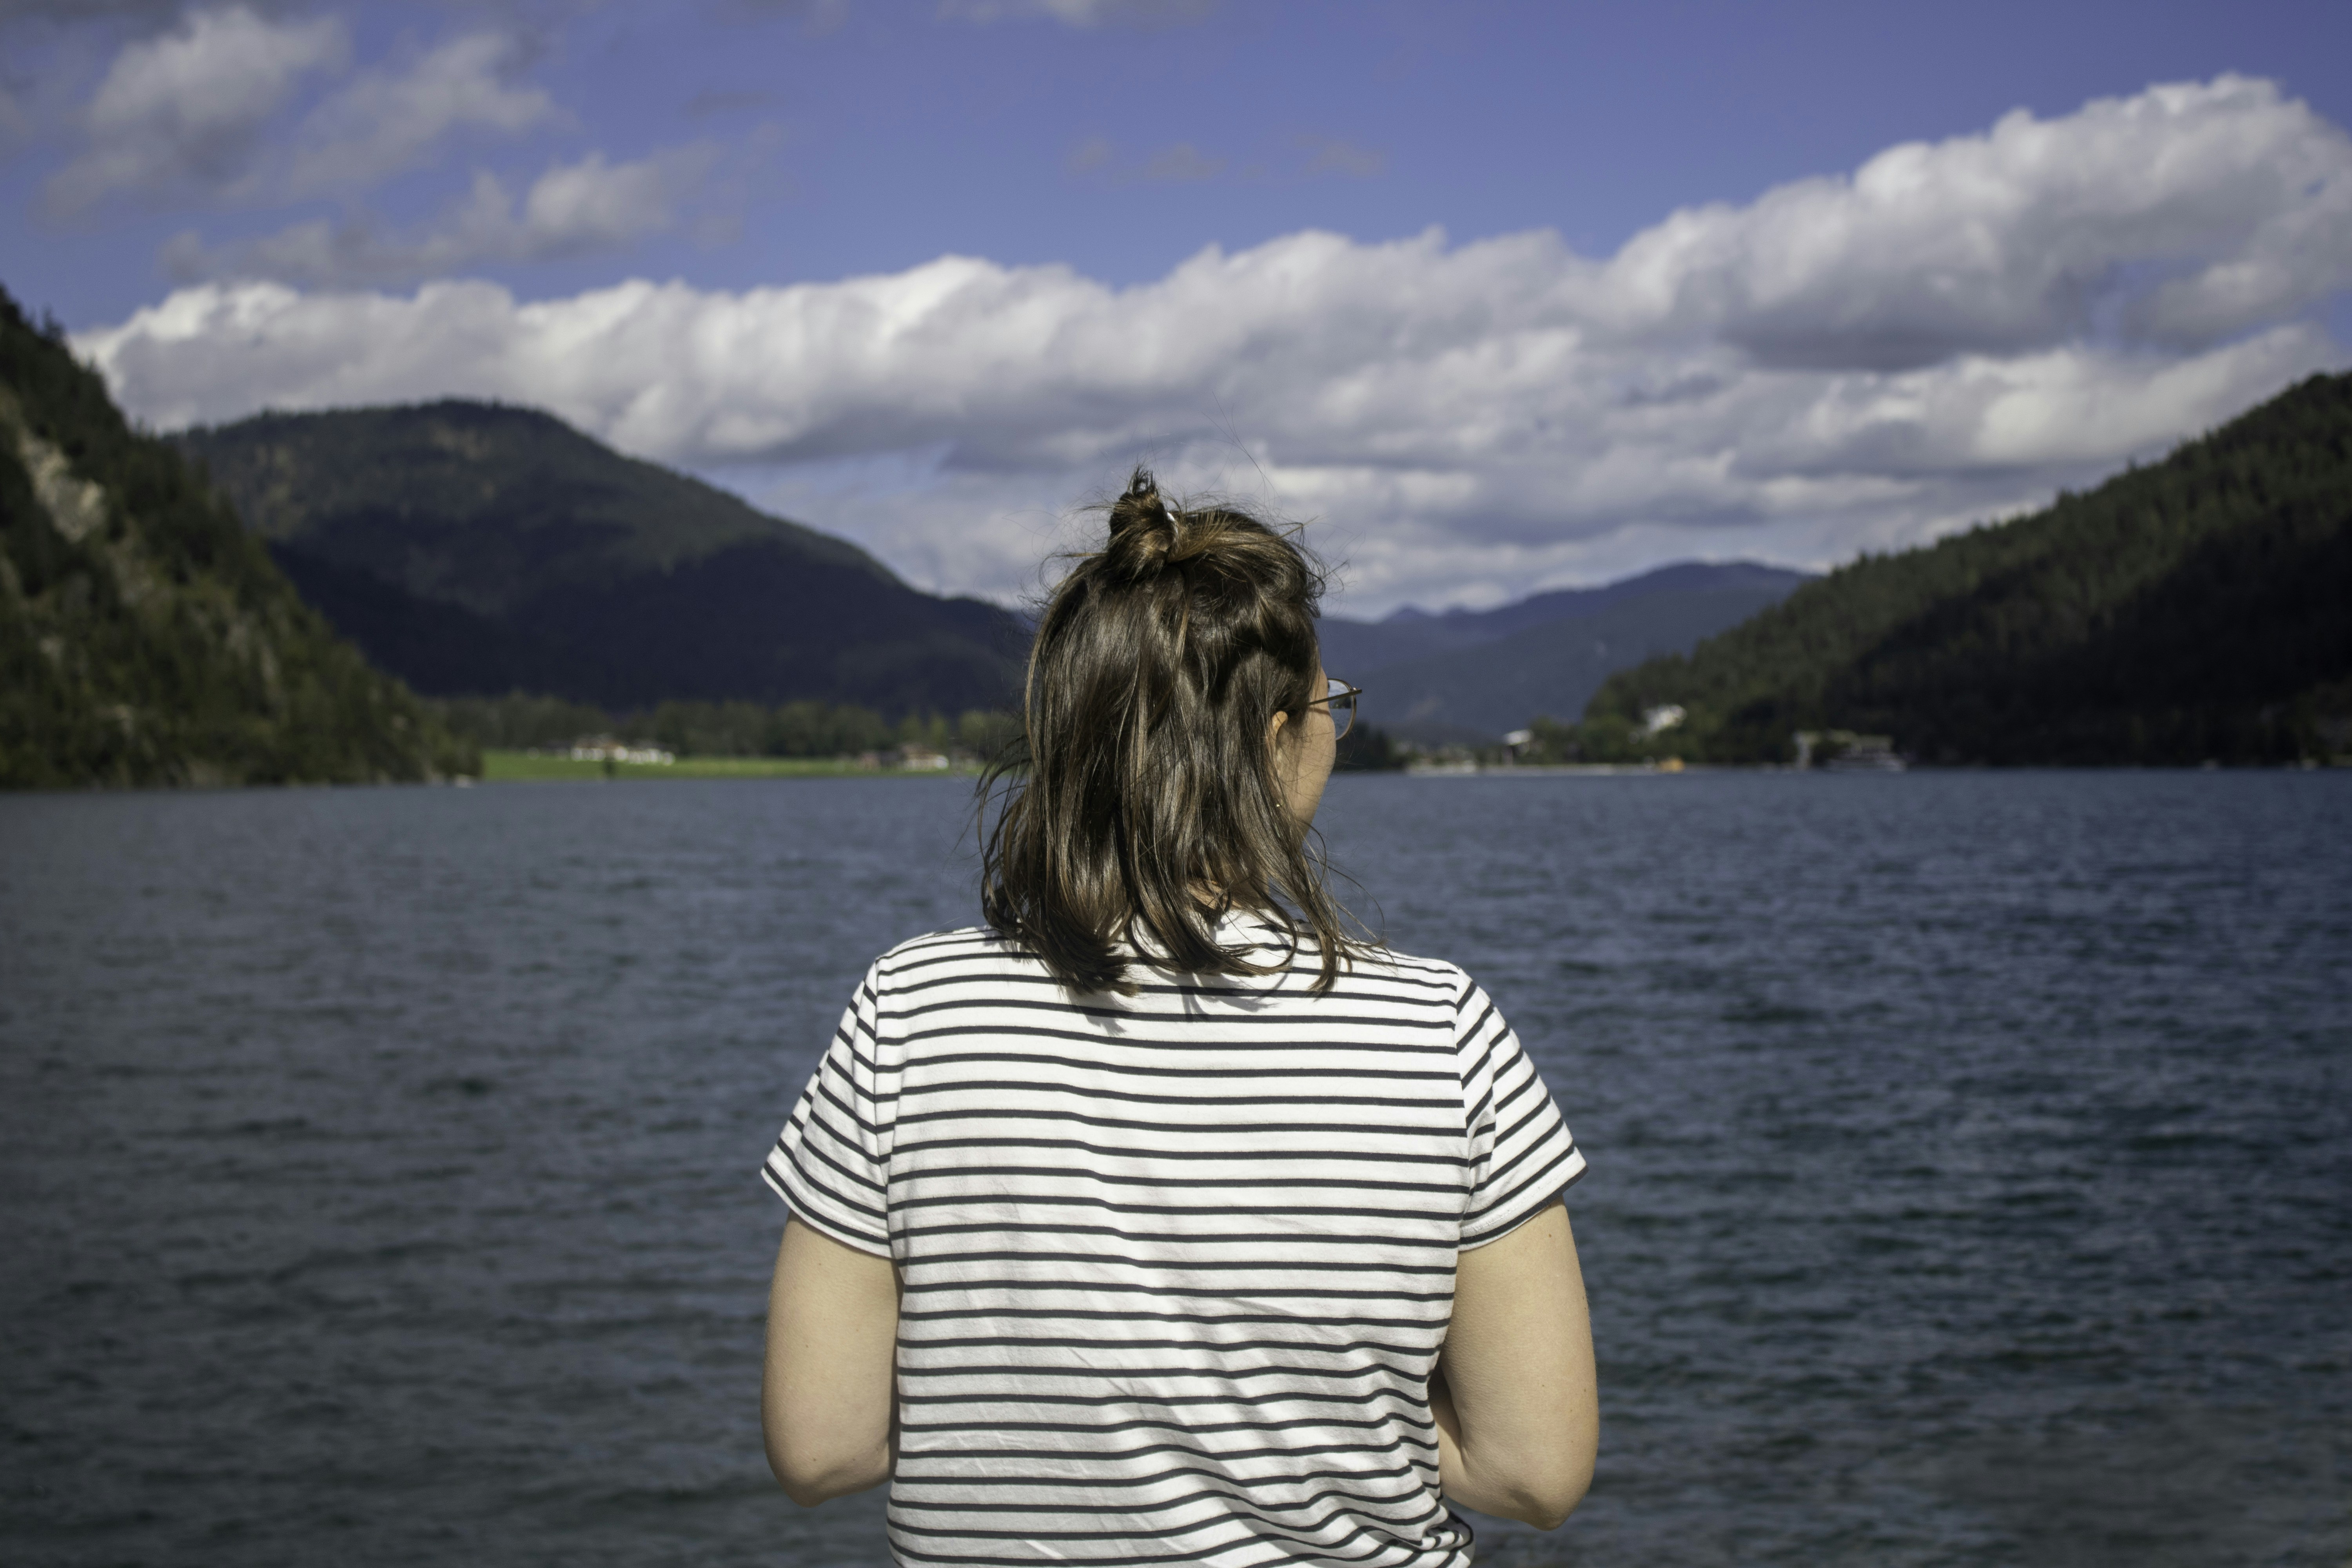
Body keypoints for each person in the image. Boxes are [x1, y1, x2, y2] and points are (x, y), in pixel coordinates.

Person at [759, 470, 1597, 1565]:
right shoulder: (1441, 1032)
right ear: (1277, 733)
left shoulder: (909, 1015)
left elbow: (821, 1446)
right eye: (1331, 708)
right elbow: (1532, 1472)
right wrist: (1327, 1431)